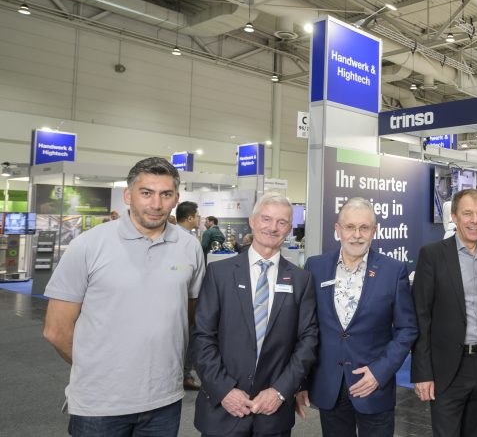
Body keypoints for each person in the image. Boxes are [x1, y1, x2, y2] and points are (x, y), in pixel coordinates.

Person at [43, 157, 206, 435]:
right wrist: (101, 369)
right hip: (100, 404)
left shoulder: (190, 247)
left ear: (176, 198)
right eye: (146, 193)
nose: (156, 204)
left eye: (165, 194)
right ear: (128, 195)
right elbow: (56, 330)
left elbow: (188, 313)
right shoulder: (88, 245)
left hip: (164, 400)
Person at [191, 192, 318, 437]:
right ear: (252, 221)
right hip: (222, 409)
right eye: (266, 219)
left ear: (289, 228)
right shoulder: (220, 274)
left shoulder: (302, 280)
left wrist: (280, 391)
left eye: (282, 222)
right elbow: (202, 337)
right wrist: (224, 390)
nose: (273, 227)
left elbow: (308, 341)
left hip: (273, 411)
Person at [298, 198, 418, 437]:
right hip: (329, 386)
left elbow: (407, 329)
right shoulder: (316, 267)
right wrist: (302, 382)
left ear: (374, 231)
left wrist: (380, 372)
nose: (357, 235)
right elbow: (305, 328)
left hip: (373, 385)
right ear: (337, 230)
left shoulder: (393, 271)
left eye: (364, 228)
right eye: (350, 227)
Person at [411, 188, 477, 437]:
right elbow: (421, 318)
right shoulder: (433, 255)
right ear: (455, 217)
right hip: (446, 367)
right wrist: (422, 373)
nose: (474, 220)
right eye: (467, 213)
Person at [176, 200, 204, 390]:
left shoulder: (176, 237)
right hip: (187, 303)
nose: (200, 219)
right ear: (189, 218)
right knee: (187, 339)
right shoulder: (190, 242)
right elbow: (197, 285)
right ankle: (184, 375)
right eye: (197, 215)